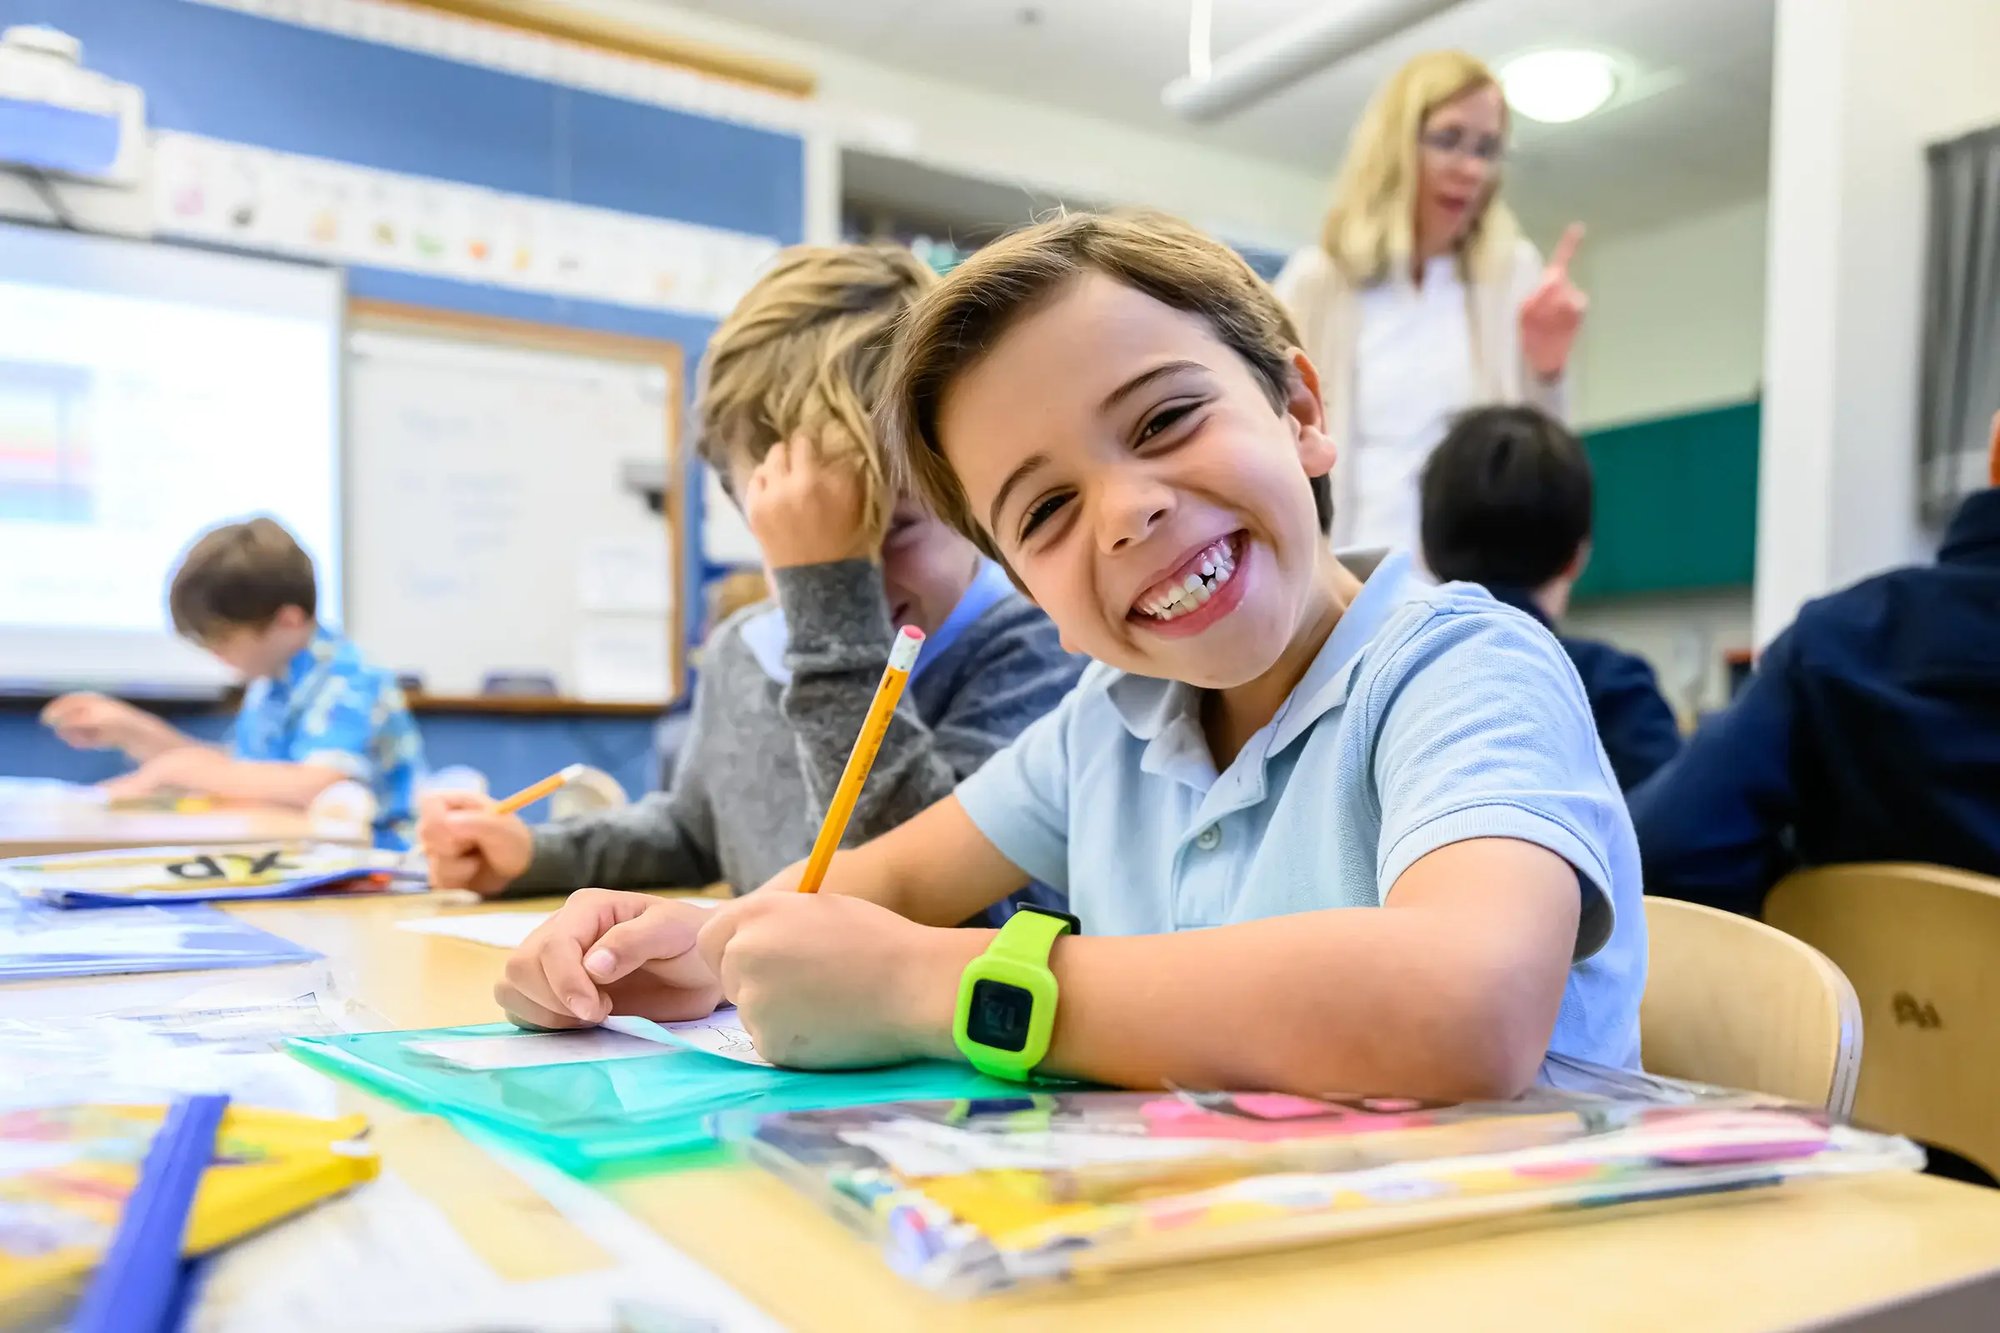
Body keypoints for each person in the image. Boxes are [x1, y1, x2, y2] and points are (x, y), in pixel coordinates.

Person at [492, 212, 1645, 1100]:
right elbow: (886, 878)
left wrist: (925, 985)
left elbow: (1467, 1006)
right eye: (1042, 511)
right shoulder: (1113, 717)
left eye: (1161, 421)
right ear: (1024, 582)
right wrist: (691, 944)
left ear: (1297, 408)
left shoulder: (1460, 664)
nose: (1126, 512)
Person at [416, 245, 1083, 914]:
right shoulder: (745, 649)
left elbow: (927, 891)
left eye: (896, 527)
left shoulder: (1037, 644)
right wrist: (536, 853)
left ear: (963, 489)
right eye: (806, 533)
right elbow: (692, 830)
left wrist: (827, 591)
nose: (863, 581)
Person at [1632, 413, 2000, 916]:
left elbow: (1667, 846)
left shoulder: (1839, 639)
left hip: (1872, 992)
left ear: (1995, 453)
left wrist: (1804, 908)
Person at [1273, 49, 1589, 556]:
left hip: (1474, 581)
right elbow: (1273, 429)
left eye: (1487, 149)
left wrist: (1548, 371)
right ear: (1396, 146)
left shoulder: (1509, 275)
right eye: (1448, 140)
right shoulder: (1319, 282)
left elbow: (1539, 464)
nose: (1470, 169)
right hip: (1350, 574)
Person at [41, 517, 425, 847]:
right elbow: (245, 771)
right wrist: (134, 731)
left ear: (287, 622)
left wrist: (179, 770)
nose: (215, 655)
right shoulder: (273, 682)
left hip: (379, 863)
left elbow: (316, 784)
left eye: (223, 641)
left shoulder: (350, 679)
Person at [1420, 405, 1681, 790]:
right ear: (1579, 555)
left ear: (1427, 549)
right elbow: (1672, 836)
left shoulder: (1384, 678)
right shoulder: (1613, 689)